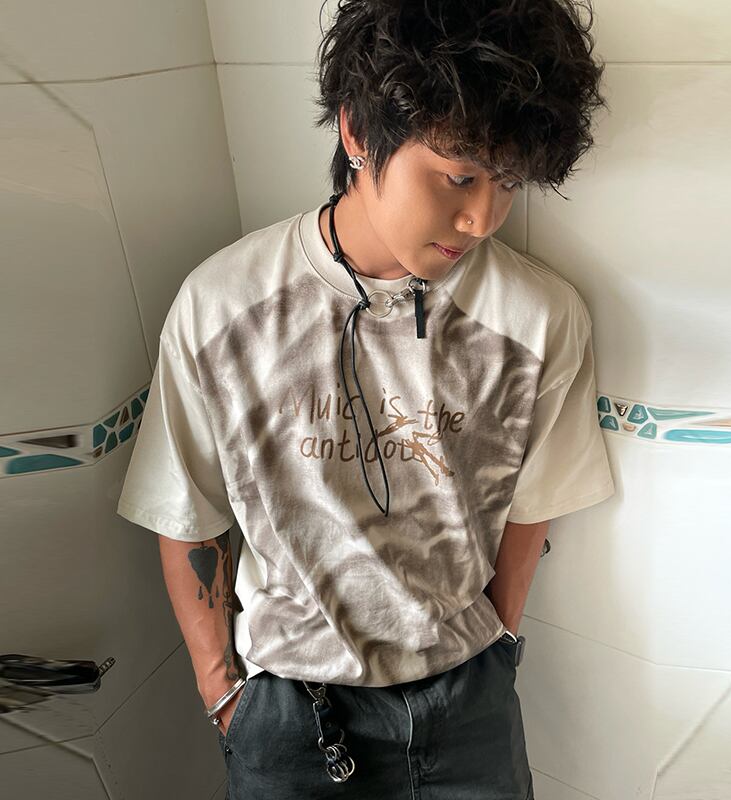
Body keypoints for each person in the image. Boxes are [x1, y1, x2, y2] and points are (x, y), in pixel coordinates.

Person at [116, 1, 615, 797]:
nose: (483, 217)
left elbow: (533, 508)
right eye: (460, 175)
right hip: (287, 716)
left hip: (470, 707)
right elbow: (186, 512)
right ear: (357, 130)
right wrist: (224, 696)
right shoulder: (222, 307)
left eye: (509, 182)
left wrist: (497, 646)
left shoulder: (540, 318)